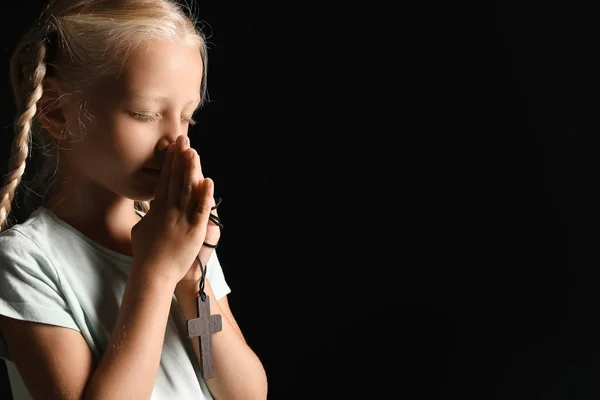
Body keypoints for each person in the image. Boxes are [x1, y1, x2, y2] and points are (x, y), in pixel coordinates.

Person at [0, 0, 268, 399]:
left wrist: (192, 278)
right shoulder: (26, 260)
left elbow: (242, 393)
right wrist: (157, 271)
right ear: (57, 112)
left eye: (187, 117)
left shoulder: (177, 231)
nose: (176, 142)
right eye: (144, 114)